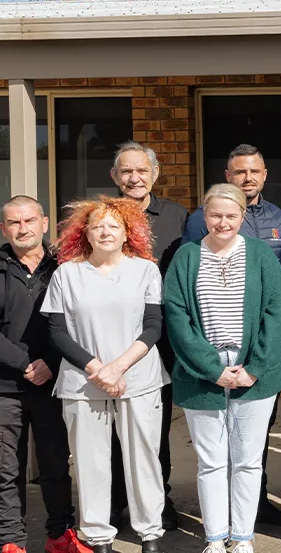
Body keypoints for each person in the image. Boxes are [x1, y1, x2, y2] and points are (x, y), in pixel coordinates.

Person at [165, 184, 281, 553]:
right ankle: (216, 537)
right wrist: (209, 368)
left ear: (241, 216)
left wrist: (255, 367)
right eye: (216, 215)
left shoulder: (261, 255)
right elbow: (177, 316)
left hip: (255, 372)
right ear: (205, 216)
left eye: (231, 215)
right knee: (211, 462)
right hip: (201, 373)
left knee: (248, 462)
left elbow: (276, 311)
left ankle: (243, 536)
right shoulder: (187, 256)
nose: (223, 222)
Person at [42, 196, 168, 553]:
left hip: (138, 379)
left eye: (114, 225)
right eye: (97, 225)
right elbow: (57, 331)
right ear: (85, 232)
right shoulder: (67, 273)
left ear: (128, 232)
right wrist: (98, 368)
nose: (106, 231)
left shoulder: (145, 270)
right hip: (83, 383)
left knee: (143, 458)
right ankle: (97, 536)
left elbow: (154, 325)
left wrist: (118, 366)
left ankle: (150, 532)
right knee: (89, 460)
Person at [0, 195, 79, 553]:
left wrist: (51, 363)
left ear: (44, 224)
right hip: (5, 387)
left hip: (54, 382)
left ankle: (60, 534)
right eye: (14, 222)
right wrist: (26, 364)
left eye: (29, 220)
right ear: (3, 228)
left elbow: (77, 325)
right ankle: (11, 540)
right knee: (8, 467)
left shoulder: (67, 269)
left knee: (56, 464)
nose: (22, 228)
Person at [110, 141, 186, 529]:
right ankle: (113, 500)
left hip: (161, 335)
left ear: (155, 174)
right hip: (109, 335)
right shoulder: (101, 215)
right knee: (108, 422)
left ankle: (158, 498)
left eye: (141, 170)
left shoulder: (176, 216)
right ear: (115, 177)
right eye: (126, 171)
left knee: (154, 424)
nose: (134, 178)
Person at [184, 143, 281, 257]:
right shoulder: (206, 217)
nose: (248, 178)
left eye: (255, 171)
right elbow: (189, 264)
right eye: (241, 172)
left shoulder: (277, 216)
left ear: (264, 175)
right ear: (228, 176)